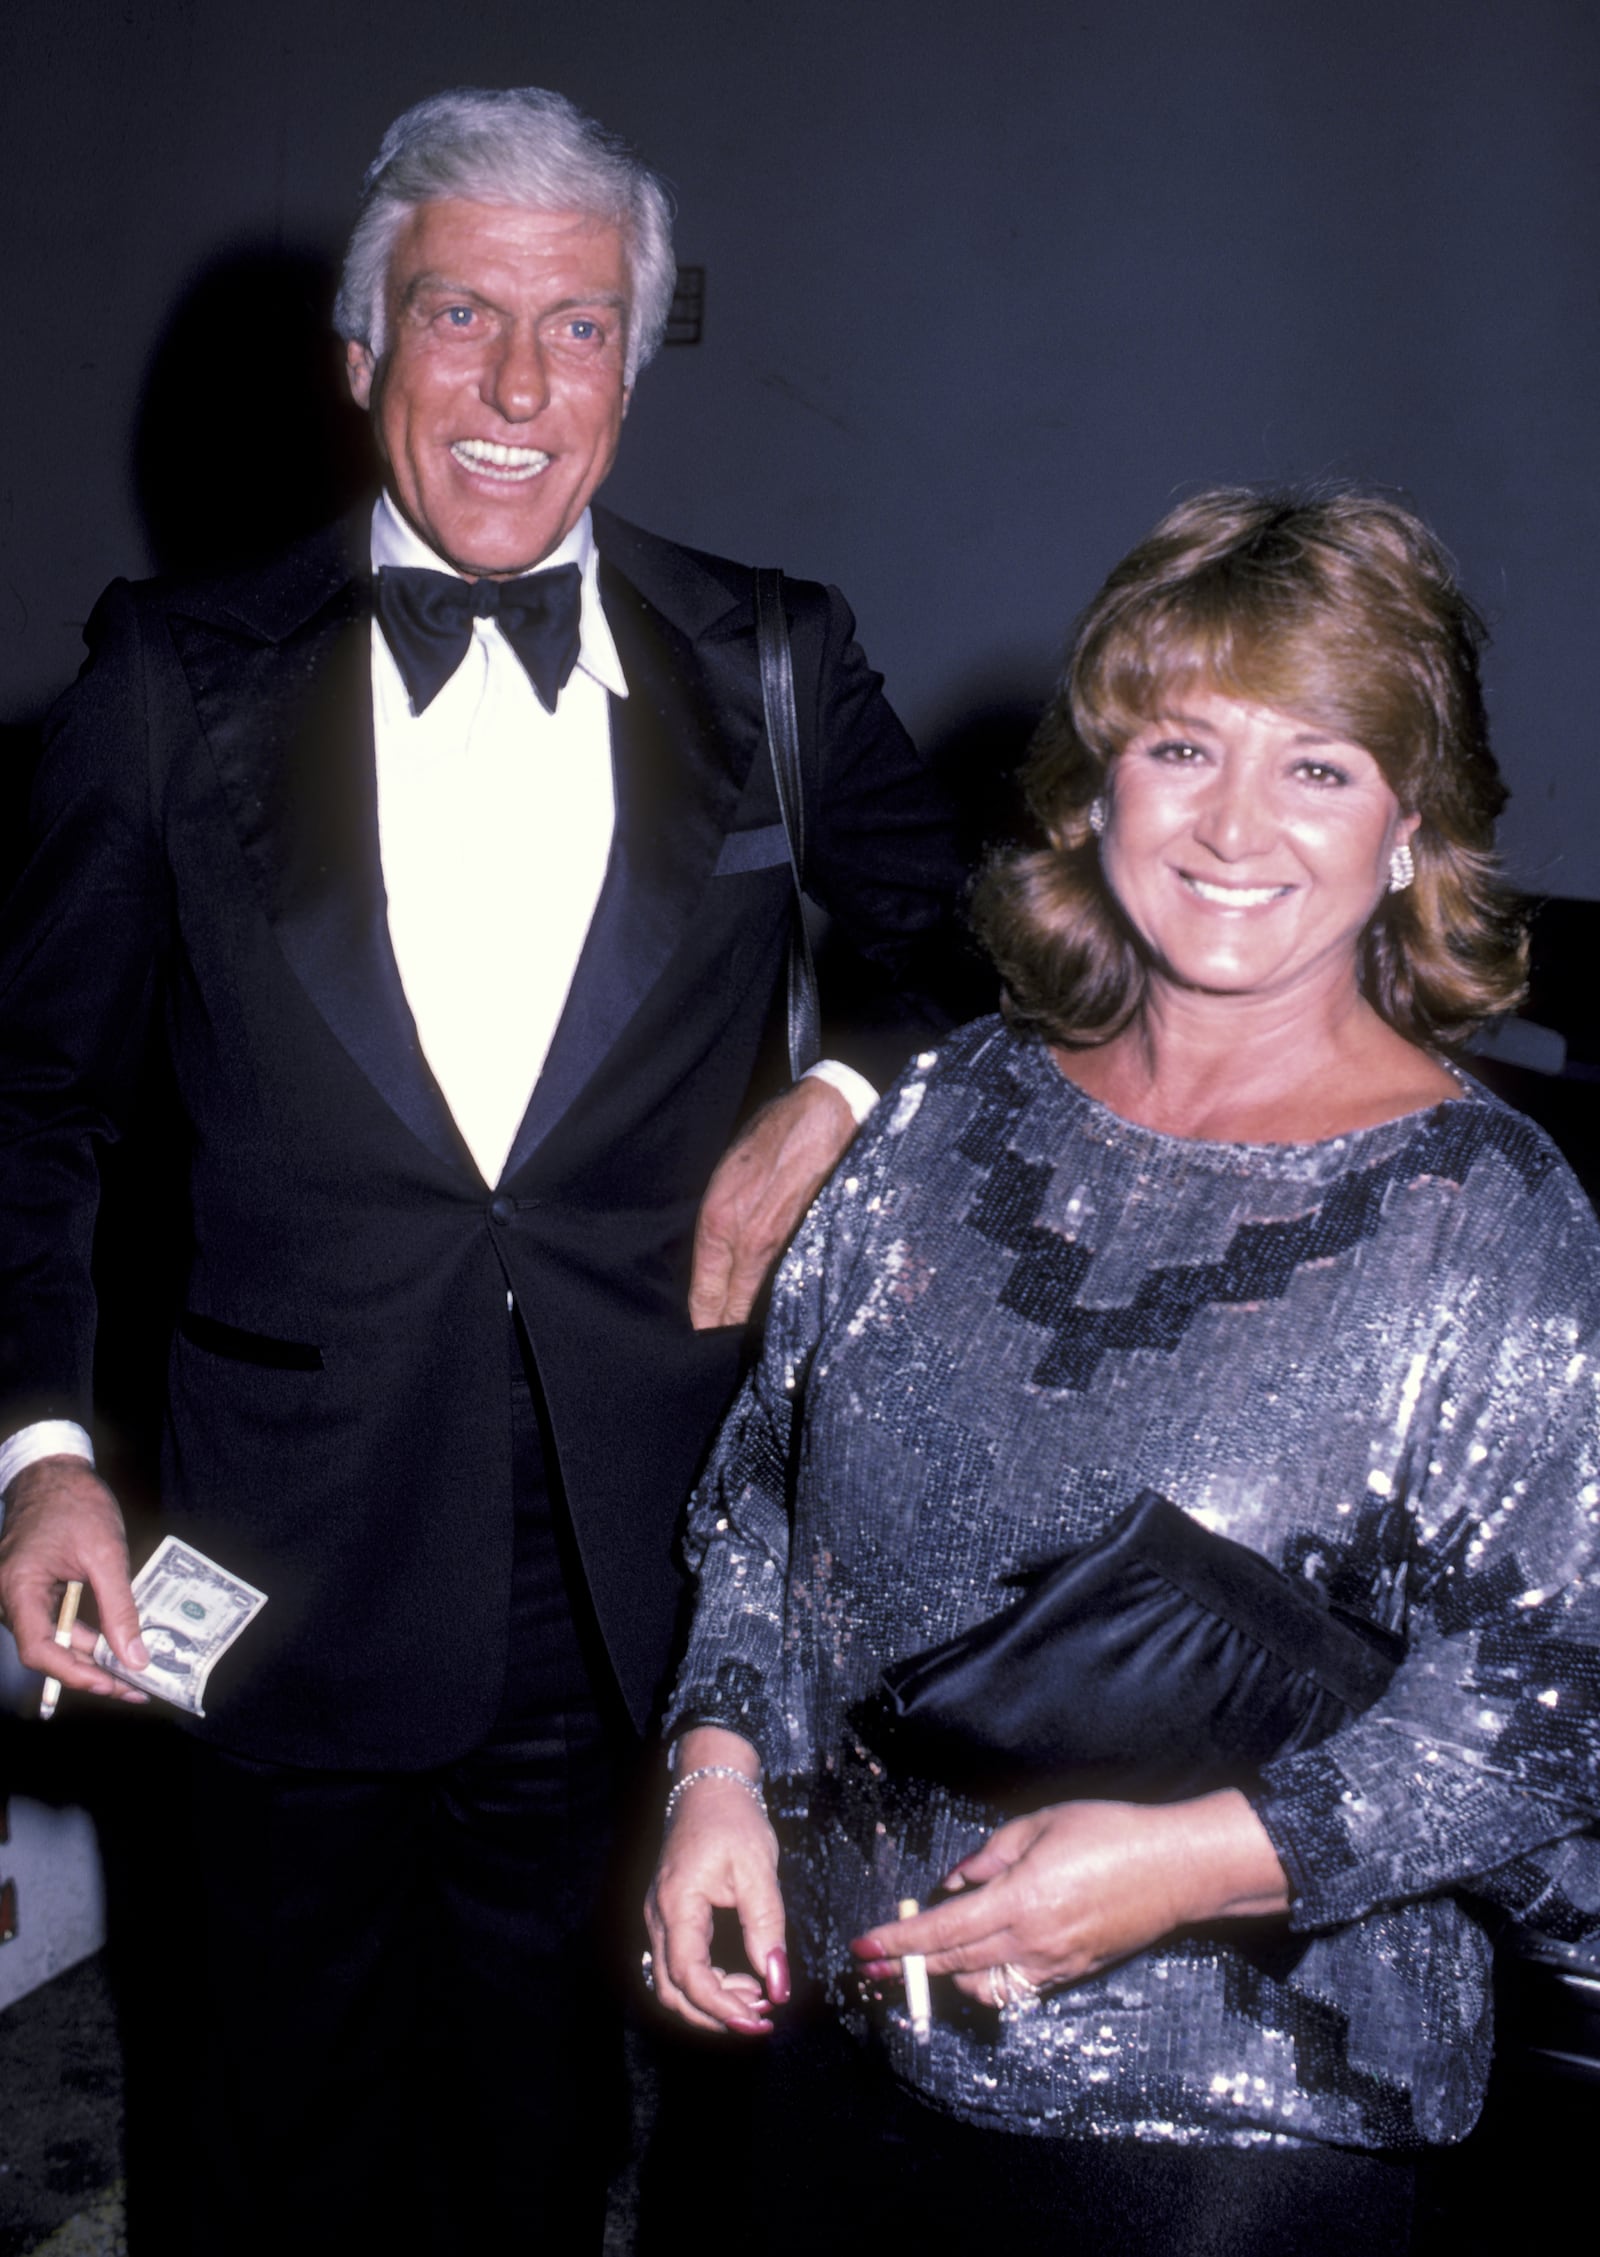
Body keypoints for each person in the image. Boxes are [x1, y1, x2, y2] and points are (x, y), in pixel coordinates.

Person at [0, 87, 965, 2254]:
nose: (521, 388)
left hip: (628, 1541)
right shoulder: (170, 675)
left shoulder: (775, 659)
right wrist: (43, 1451)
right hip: (269, 1526)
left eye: (581, 325)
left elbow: (976, 950)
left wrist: (835, 1094)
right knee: (263, 2109)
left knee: (540, 2121)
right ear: (360, 355)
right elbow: (35, 1098)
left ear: (634, 357)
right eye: (460, 317)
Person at [645, 489, 1600, 2254]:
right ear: (1098, 792)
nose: (1236, 825)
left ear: (1409, 828)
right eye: (1182, 746)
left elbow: (1552, 1712)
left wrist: (1195, 1858)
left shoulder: (1491, 1219)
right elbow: (766, 1498)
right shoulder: (949, 1110)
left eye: (1319, 766)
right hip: (843, 2038)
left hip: (1227, 2133)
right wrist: (716, 1775)